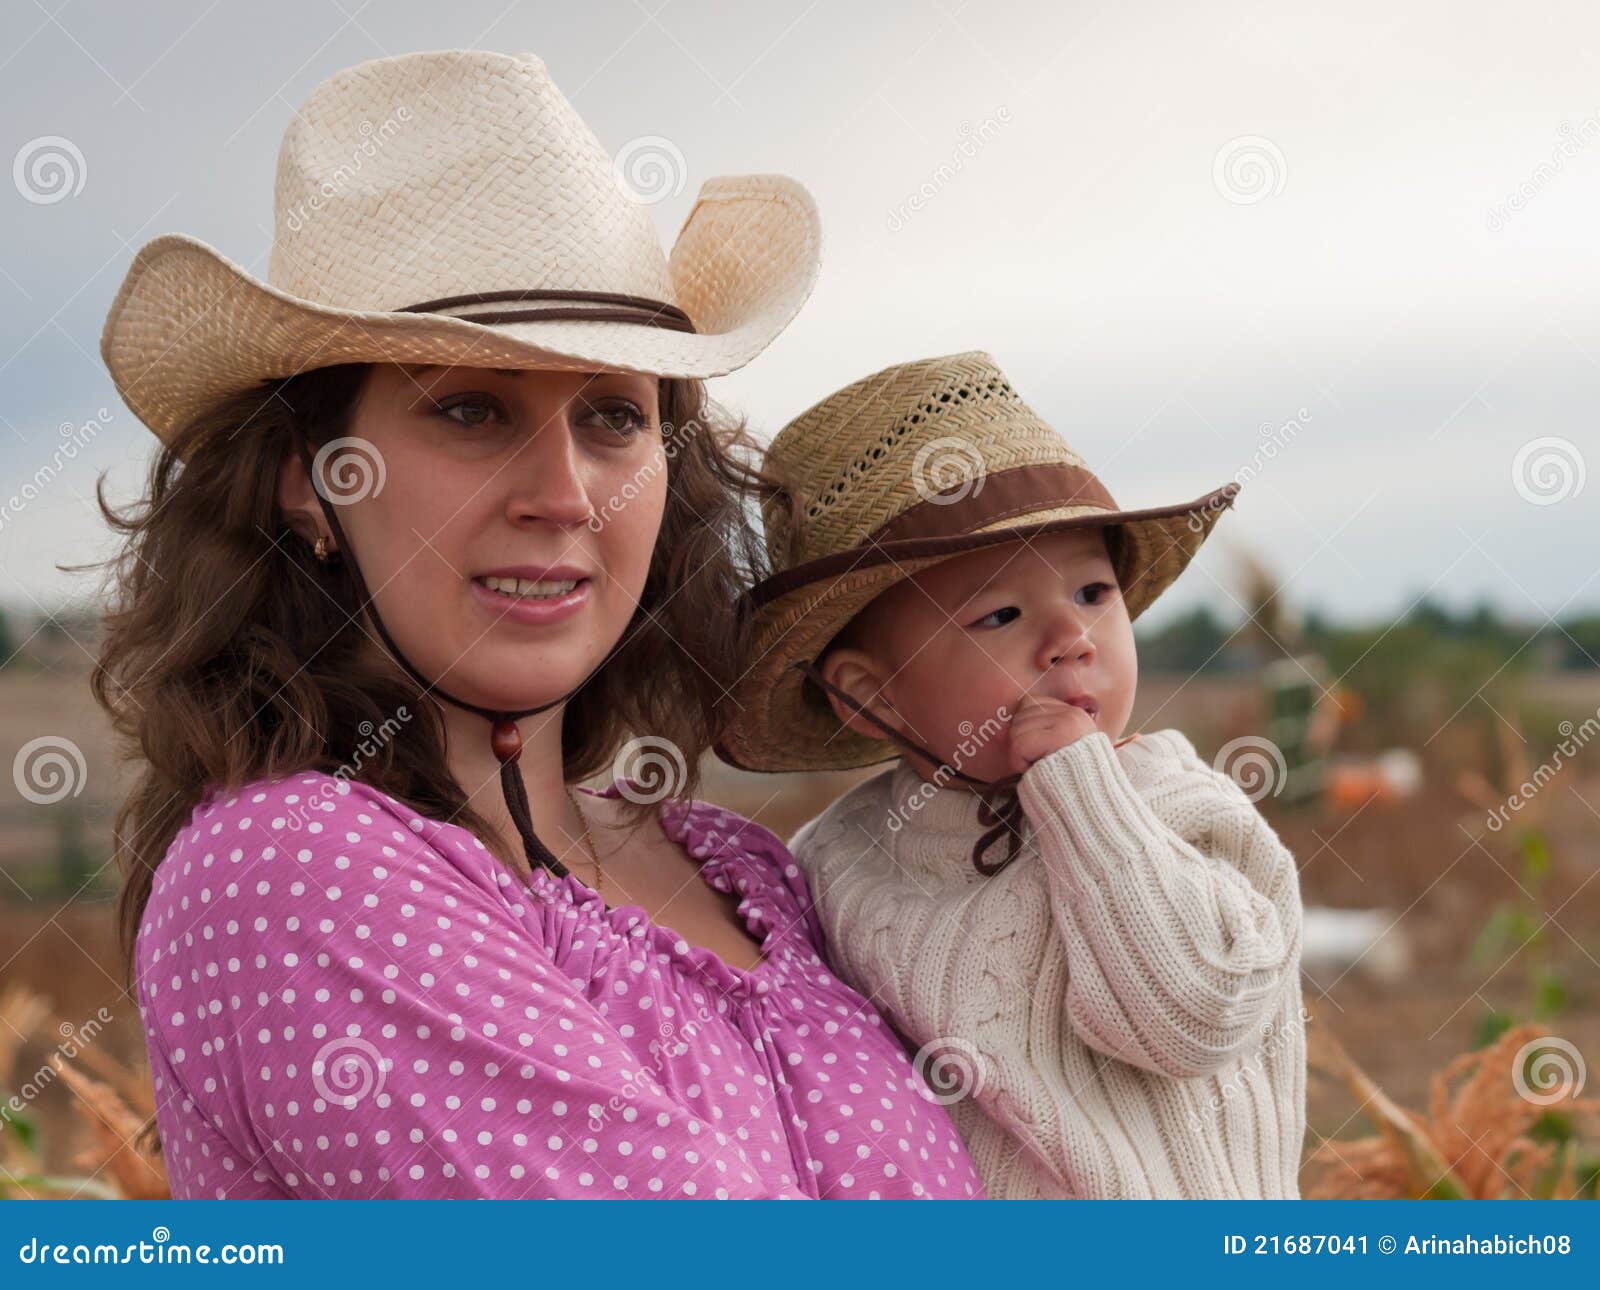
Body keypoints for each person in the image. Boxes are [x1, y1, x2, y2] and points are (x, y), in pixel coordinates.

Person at [94, 50, 981, 1201]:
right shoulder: (284, 875)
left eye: (615, 415)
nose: (565, 493)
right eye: (470, 410)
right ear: (306, 477)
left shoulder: (745, 868)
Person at [717, 351, 1306, 1198]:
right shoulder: (834, 859)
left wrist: (1079, 791)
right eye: (1000, 614)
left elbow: (1192, 1017)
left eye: (1096, 593)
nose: (1073, 636)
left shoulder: (1176, 807)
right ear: (867, 690)